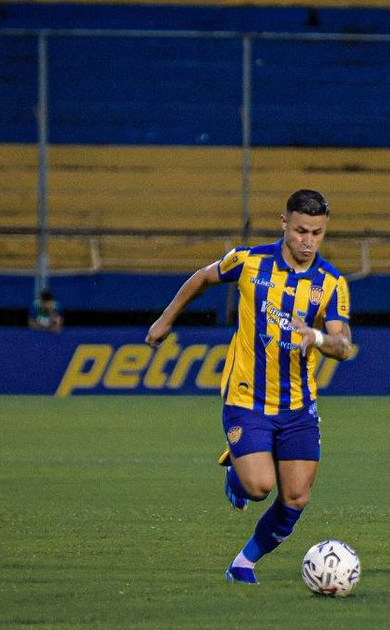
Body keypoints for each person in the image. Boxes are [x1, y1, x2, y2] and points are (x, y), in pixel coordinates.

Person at [145, 189, 353, 585]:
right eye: (301, 231)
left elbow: (343, 345)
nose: (308, 241)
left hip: (298, 405)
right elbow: (203, 277)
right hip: (246, 396)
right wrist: (166, 319)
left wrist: (319, 338)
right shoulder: (249, 261)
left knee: (296, 498)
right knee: (259, 487)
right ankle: (238, 472)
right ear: (284, 223)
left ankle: (243, 563)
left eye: (317, 233)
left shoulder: (331, 284)